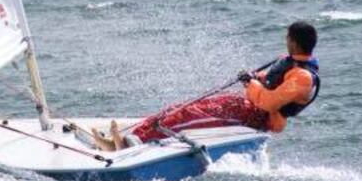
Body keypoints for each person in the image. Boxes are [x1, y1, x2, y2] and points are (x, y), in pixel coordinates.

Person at [87, 21, 320, 152]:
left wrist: (250, 83)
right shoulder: (288, 61)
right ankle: (128, 137)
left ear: (293, 41)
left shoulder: (303, 78)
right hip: (246, 104)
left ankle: (132, 145)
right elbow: (267, 79)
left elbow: (268, 101)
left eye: (287, 37)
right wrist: (253, 76)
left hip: (257, 117)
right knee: (180, 108)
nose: (285, 40)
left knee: (190, 117)